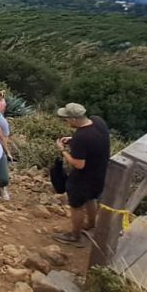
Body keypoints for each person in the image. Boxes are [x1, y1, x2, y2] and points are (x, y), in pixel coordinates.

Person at [53, 103, 111, 247]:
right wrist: (73, 140)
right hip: (99, 174)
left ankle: (74, 235)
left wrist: (63, 151)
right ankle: (91, 224)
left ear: (73, 119)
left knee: (76, 206)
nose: (66, 122)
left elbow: (79, 164)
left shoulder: (81, 137)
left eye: (67, 119)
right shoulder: (98, 122)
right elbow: (95, 140)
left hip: (82, 179)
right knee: (91, 198)